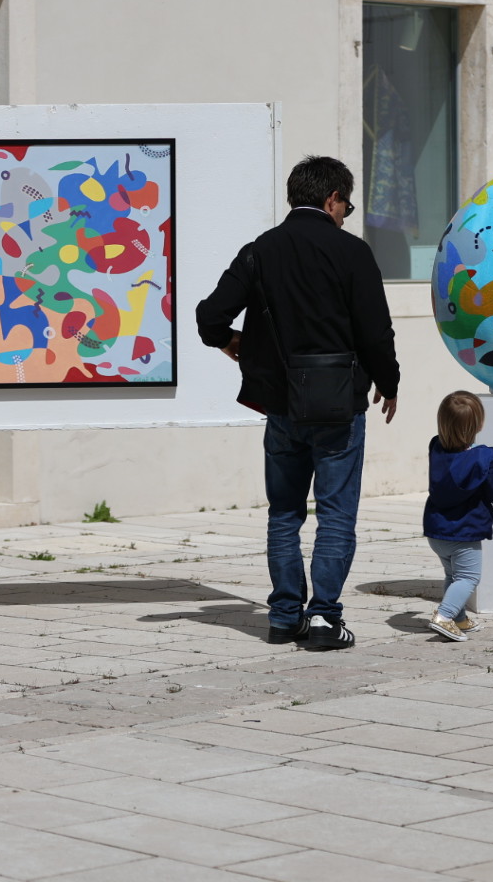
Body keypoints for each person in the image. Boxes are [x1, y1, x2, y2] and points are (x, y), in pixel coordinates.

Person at [196, 155, 399, 650]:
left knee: (284, 514)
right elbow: (375, 331)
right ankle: (326, 618)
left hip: (282, 406)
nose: (346, 215)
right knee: (335, 514)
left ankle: (285, 616)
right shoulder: (353, 253)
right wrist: (388, 381)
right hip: (338, 405)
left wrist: (231, 342)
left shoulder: (260, 250)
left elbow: (209, 317)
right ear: (332, 199)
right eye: (346, 206)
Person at [422, 391, 493, 642]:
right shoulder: (483, 458)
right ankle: (444, 616)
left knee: (453, 576)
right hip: (465, 531)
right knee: (468, 577)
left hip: (436, 529)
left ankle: (459, 618)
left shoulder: (436, 448)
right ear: (479, 424)